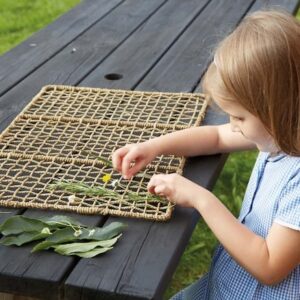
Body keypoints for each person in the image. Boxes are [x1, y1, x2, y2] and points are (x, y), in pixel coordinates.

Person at [112, 10, 300, 299]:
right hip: (228, 280)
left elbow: (270, 266)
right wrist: (153, 147)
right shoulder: (280, 133)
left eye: (238, 117)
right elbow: (215, 137)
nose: (232, 125)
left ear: (277, 109)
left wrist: (200, 198)